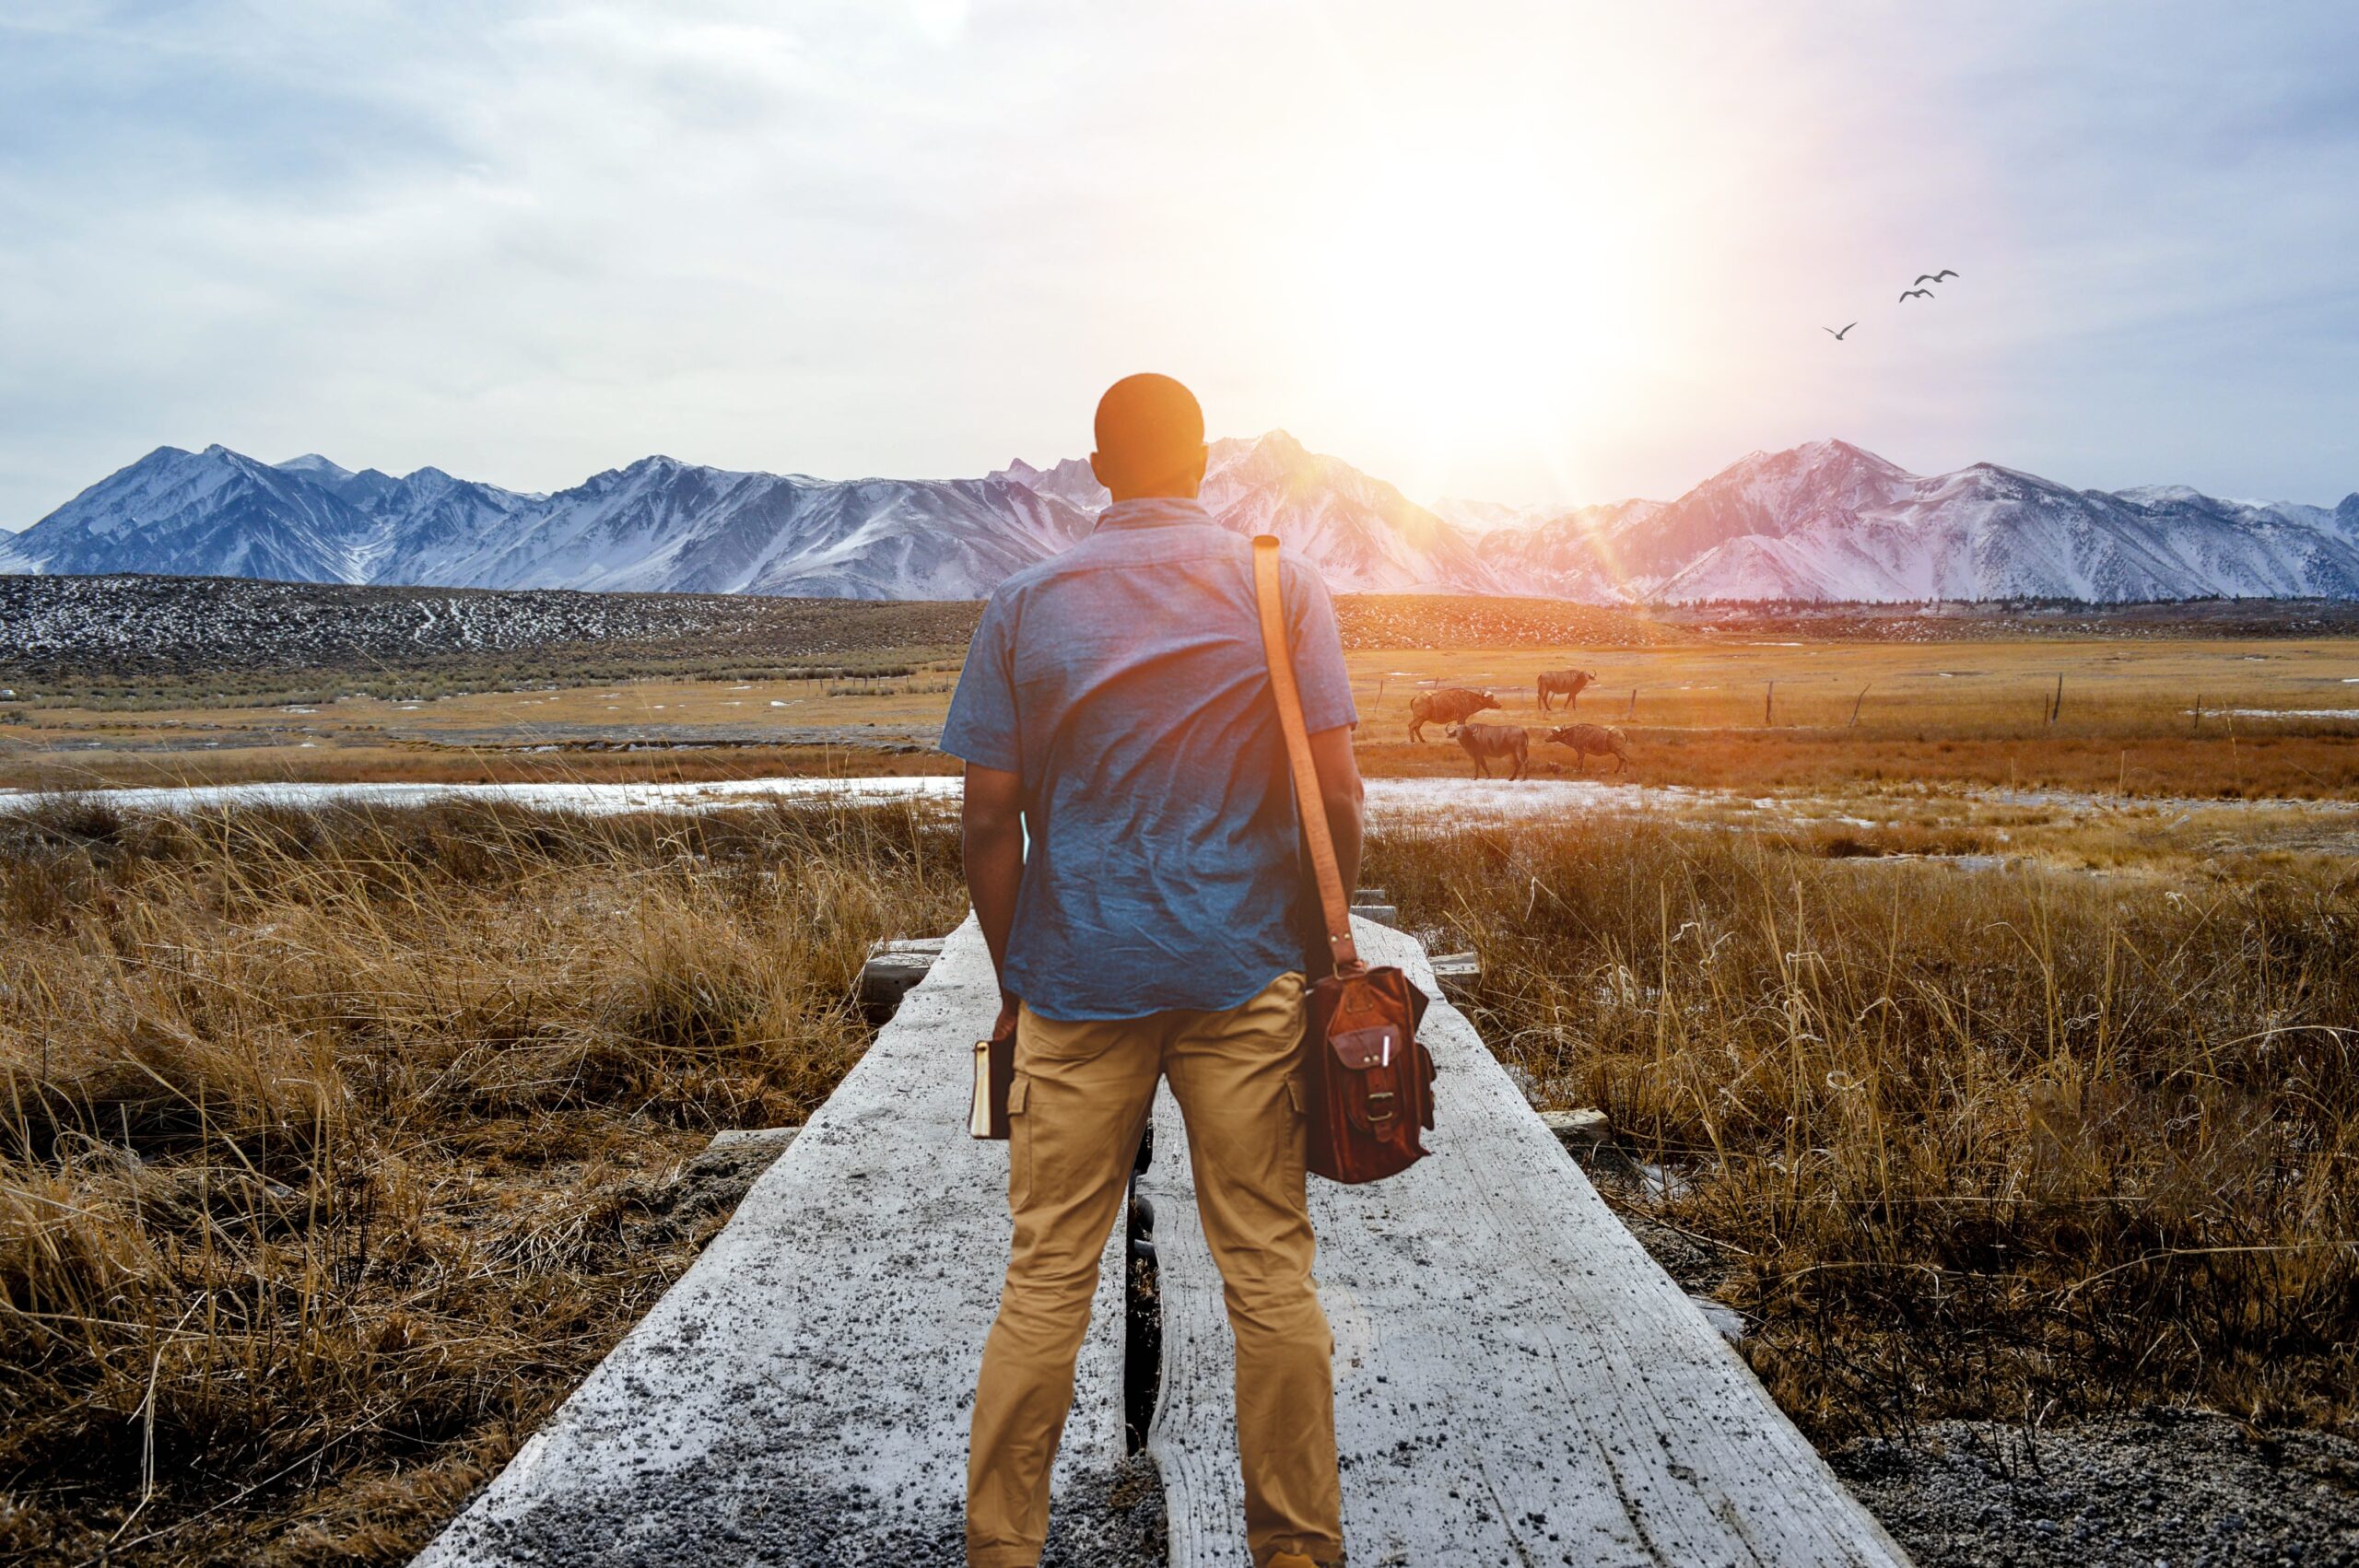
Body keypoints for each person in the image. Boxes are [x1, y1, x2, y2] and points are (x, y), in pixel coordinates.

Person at [943, 373, 1361, 1568]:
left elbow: (986, 818)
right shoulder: (1280, 587)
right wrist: (1313, 939)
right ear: (1202, 460)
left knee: (1048, 1273)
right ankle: (1293, 1547)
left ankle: (1003, 1546)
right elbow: (1335, 791)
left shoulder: (1025, 604)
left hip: (1076, 980)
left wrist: (1016, 972)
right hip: (1245, 973)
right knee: (1269, 1269)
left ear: (1099, 466)